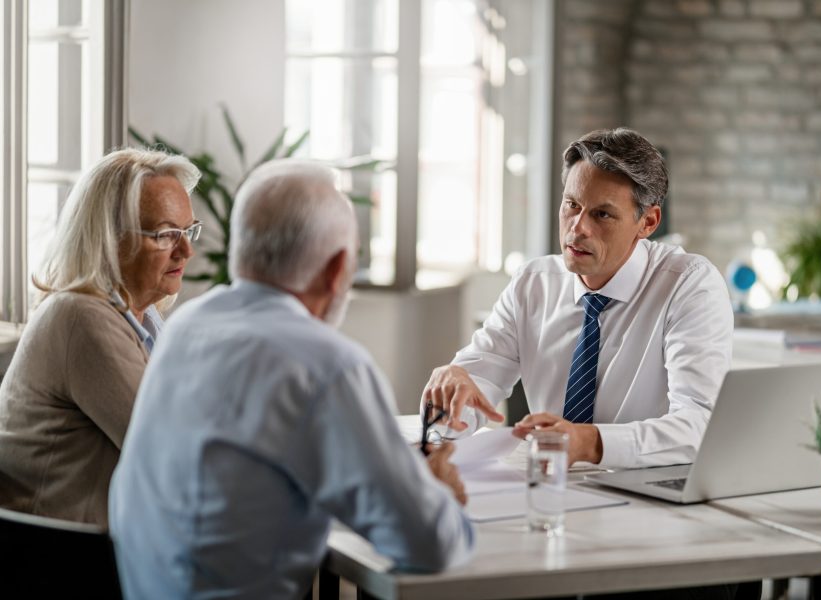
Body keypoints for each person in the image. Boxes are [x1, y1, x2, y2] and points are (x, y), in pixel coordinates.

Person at [109, 160, 474, 599]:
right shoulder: (327, 365)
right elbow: (430, 545)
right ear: (338, 268)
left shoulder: (188, 326)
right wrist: (435, 493)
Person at [423, 127, 734, 469]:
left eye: (602, 214)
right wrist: (451, 400)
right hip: (549, 488)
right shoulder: (533, 283)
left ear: (648, 222)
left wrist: (590, 442)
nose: (577, 228)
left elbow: (701, 425)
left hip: (646, 496)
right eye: (572, 205)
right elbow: (476, 385)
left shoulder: (689, 286)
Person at [0, 148, 200, 526]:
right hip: (54, 565)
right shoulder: (81, 317)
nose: (186, 250)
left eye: (189, 231)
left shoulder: (144, 318)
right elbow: (174, 456)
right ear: (110, 238)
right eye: (166, 234)